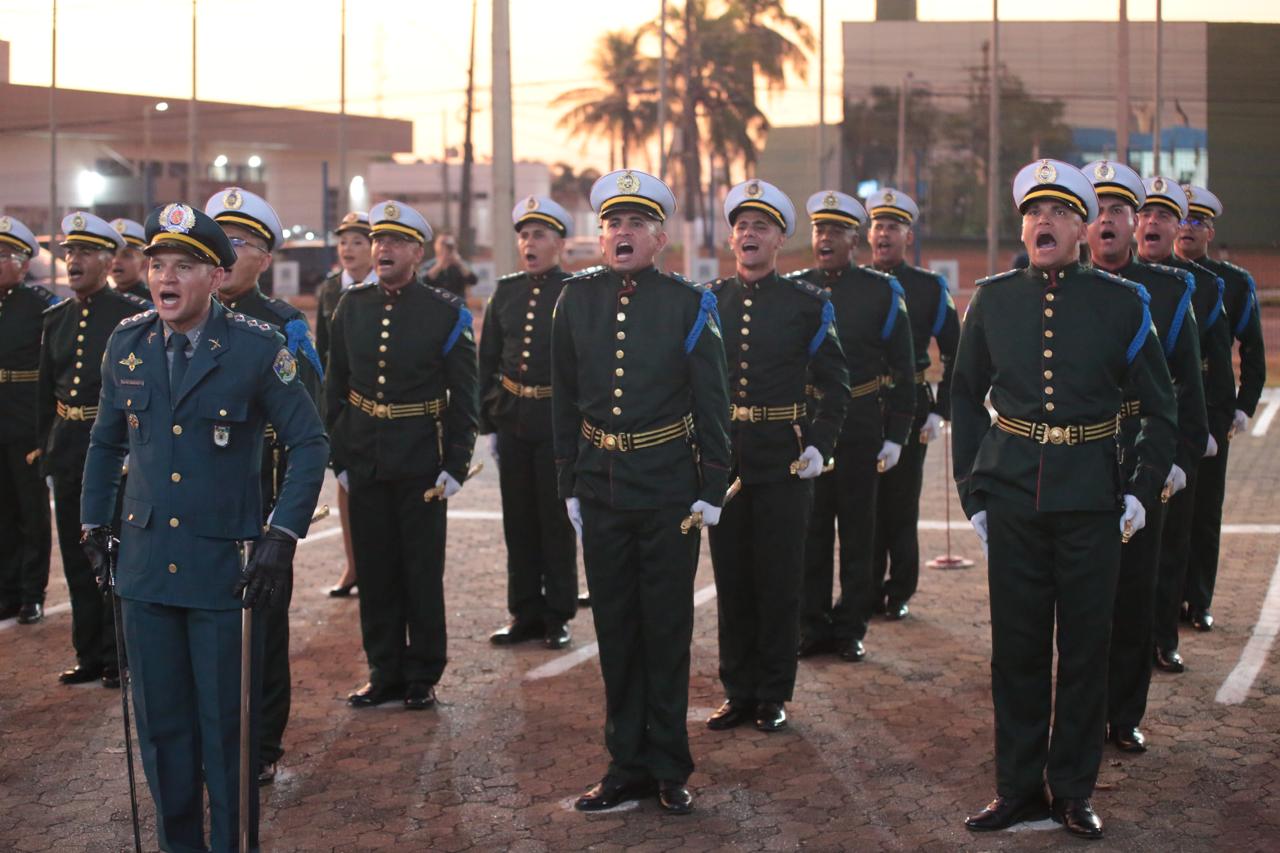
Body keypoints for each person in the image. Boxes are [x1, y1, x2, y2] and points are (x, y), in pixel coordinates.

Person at [80, 202, 327, 852]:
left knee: (226, 737)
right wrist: (93, 522)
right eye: (158, 264)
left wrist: (282, 534)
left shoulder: (256, 347)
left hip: (224, 574)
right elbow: (105, 442)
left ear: (216, 276)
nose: (166, 277)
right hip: (144, 570)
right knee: (163, 735)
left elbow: (309, 443)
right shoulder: (127, 343)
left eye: (183, 266)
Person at [952, 159, 1176, 839]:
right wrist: (973, 490)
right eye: (1033, 213)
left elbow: (1161, 408)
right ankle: (1016, 787)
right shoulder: (993, 300)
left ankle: (1073, 791)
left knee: (1083, 651)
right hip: (1014, 494)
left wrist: (1140, 489)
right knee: (1017, 650)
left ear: (1082, 228)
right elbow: (964, 395)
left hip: (1091, 499)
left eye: (1057, 213)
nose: (1042, 222)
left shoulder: (1121, 302)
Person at [553, 169, 730, 815]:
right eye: (613, 224)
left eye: (636, 223)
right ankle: (624, 763)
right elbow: (563, 397)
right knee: (616, 627)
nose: (622, 233)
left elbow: (713, 400)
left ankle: (668, 765)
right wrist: (568, 481)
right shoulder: (575, 299)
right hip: (601, 487)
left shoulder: (688, 304)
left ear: (660, 239)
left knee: (665, 629)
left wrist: (713, 483)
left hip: (667, 491)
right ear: (599, 236)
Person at [704, 179, 849, 735]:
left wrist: (818, 445)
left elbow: (835, 384)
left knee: (780, 579)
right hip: (726, 460)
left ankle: (772, 693)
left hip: (784, 461)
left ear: (779, 239)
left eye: (761, 226)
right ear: (732, 238)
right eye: (742, 226)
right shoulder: (709, 301)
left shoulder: (806, 304)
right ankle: (737, 690)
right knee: (732, 578)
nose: (749, 234)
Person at [326, 200, 479, 711]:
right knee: (374, 569)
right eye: (378, 240)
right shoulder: (351, 306)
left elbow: (465, 395)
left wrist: (455, 463)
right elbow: (335, 386)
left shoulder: (444, 311)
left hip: (421, 461)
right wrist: (338, 456)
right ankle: (383, 670)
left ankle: (422, 673)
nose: (383, 249)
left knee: (420, 571)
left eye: (395, 242)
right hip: (365, 457)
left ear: (417, 252)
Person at [1082, 161, 1207, 754]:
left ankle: (1123, 713)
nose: (1107, 220)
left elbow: (1188, 387)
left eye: (1119, 211)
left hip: (1141, 456)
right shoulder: (1057, 285)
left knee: (1134, 595)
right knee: (1080, 599)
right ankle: (1080, 711)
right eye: (1098, 211)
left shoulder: (1169, 291)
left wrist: (1177, 461)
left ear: (1134, 223)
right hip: (1076, 459)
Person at [206, 186, 324, 785]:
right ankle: (210, 739)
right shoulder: (180, 318)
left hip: (259, 498)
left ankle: (262, 744)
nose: (227, 253)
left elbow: (307, 423)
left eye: (241, 243)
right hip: (196, 502)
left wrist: (284, 517)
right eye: (219, 240)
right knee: (203, 628)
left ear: (266, 259)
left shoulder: (284, 325)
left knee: (263, 629)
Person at [794, 190, 916, 662]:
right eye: (819, 230)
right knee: (811, 530)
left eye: (836, 231)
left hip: (861, 424)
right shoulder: (796, 291)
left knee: (859, 532)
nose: (825, 238)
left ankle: (850, 627)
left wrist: (897, 434)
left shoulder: (882, 292)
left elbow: (904, 369)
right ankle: (811, 623)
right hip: (809, 427)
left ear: (854, 240)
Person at [37, 212, 149, 687]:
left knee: (117, 556)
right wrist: (46, 449)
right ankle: (88, 653)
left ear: (107, 260)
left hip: (116, 455)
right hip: (69, 451)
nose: (73, 260)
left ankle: (118, 656)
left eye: (84, 252)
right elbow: (46, 393)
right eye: (69, 252)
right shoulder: (56, 319)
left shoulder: (129, 316)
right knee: (77, 556)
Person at [1135, 177, 1236, 675]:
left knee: (1171, 542)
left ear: (1177, 228)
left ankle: (1162, 637)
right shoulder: (1100, 281)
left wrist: (1203, 434)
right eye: (1145, 214)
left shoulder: (1194, 288)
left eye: (1164, 216)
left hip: (1171, 431)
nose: (1152, 223)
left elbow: (1209, 369)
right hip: (1114, 435)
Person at [480, 196, 579, 650]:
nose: (529, 243)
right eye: (524, 235)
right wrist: (489, 419)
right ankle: (524, 611)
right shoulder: (506, 291)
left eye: (539, 235)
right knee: (517, 520)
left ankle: (557, 614)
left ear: (559, 243)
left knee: (556, 520)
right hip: (513, 420)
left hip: (557, 421)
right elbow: (488, 358)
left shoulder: (575, 292)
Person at [1174, 185, 1267, 631]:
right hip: (1167, 406)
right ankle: (1164, 601)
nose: (1187, 229)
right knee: (1166, 514)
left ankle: (1198, 599)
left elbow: (1252, 349)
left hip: (1212, 408)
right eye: (1181, 219)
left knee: (1205, 511)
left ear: (1210, 232)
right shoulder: (1154, 276)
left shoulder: (1231, 283)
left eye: (1198, 221)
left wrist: (1243, 406)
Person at [864, 188, 960, 620]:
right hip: (864, 408)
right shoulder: (855, 284)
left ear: (908, 236)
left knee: (901, 505)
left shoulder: (928, 288)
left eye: (893, 226)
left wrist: (942, 409)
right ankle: (865, 590)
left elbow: (956, 350)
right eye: (878, 226)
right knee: (864, 505)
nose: (884, 234)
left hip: (913, 406)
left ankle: (899, 589)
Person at [315, 211, 375, 599]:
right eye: (343, 242)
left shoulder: (385, 287)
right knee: (346, 483)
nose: (348, 249)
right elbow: (323, 351)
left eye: (357, 242)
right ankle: (353, 565)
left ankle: (379, 566)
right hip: (344, 401)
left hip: (380, 401)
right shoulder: (330, 289)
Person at [0, 215, 55, 625]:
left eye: (4, 255)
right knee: (2, 509)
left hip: (25, 417)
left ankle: (32, 592)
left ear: (23, 263)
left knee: (30, 509)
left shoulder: (41, 306)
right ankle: (7, 590)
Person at [108, 218, 153, 303]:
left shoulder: (153, 301)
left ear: (144, 263)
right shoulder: (103, 299)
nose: (116, 261)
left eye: (126, 255)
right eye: (113, 254)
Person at [423, 231, 477, 299]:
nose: (446, 247)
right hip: (434, 303)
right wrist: (440, 265)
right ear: (435, 245)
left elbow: (473, 280)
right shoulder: (429, 265)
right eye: (442, 243)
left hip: (457, 303)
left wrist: (459, 264)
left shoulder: (462, 264)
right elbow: (423, 281)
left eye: (449, 244)